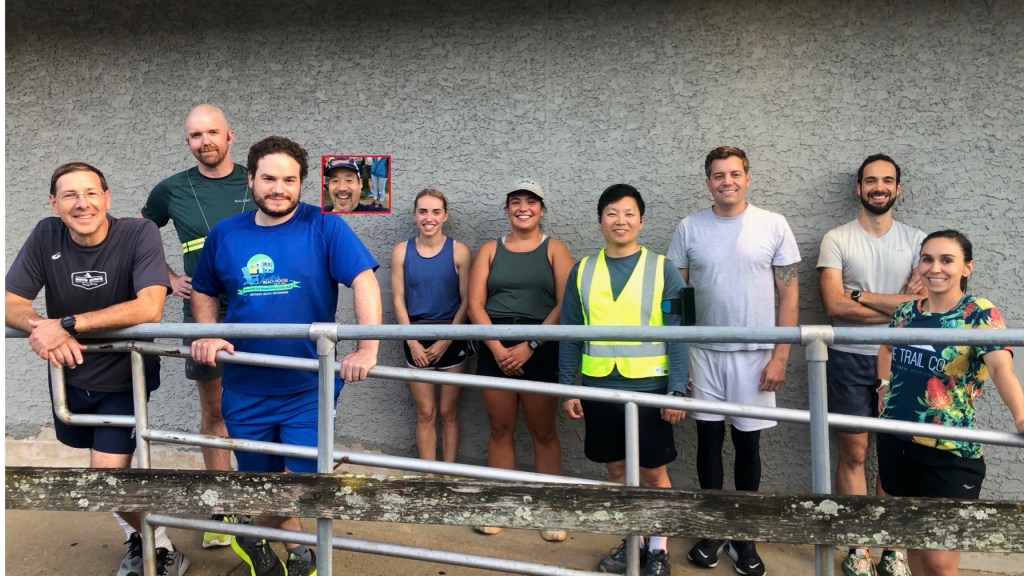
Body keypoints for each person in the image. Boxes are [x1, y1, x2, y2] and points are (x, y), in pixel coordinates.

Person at [189, 136, 382, 576]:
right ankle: (295, 548)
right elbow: (203, 289)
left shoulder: (325, 226)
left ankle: (250, 530)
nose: (279, 188)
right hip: (245, 386)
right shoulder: (226, 233)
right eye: (270, 178)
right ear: (251, 179)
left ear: (301, 183)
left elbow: (365, 280)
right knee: (262, 478)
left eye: (290, 180)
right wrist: (209, 333)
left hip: (308, 385)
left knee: (303, 481)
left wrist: (367, 347)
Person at [5, 163, 187, 576]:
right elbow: (11, 301)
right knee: (107, 476)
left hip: (124, 379)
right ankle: (141, 536)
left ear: (107, 198)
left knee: (105, 478)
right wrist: (42, 328)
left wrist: (67, 325)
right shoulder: (46, 234)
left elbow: (150, 307)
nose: (81, 203)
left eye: (90, 193)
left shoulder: (138, 233)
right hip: (69, 377)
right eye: (69, 195)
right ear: (54, 203)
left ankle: (161, 547)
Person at [667, 146, 800, 576]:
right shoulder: (689, 228)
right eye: (719, 175)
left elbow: (790, 294)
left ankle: (744, 536)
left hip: (756, 355)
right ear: (708, 181)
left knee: (747, 445)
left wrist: (780, 355)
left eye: (735, 174)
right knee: (707, 442)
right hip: (703, 354)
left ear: (747, 177)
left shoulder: (773, 224)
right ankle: (712, 529)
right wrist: (681, 357)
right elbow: (676, 298)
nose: (727, 181)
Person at [876, 230, 1024, 576]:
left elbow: (1000, 367)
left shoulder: (978, 313)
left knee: (940, 561)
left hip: (949, 450)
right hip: (897, 442)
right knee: (913, 542)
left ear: (967, 267)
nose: (935, 268)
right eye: (927, 259)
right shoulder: (905, 312)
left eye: (947, 260)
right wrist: (884, 387)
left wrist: (1020, 415)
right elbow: (885, 346)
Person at [560, 184, 687, 576]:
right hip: (599, 388)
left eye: (629, 213)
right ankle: (633, 541)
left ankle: (658, 551)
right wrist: (567, 386)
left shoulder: (664, 269)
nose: (621, 220)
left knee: (653, 473)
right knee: (615, 470)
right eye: (612, 213)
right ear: (600, 221)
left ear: (642, 220)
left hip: (650, 389)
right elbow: (570, 332)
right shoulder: (582, 270)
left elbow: (680, 332)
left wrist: (676, 389)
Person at [140, 103, 252, 548]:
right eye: (195, 135)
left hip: (258, 305)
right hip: (203, 311)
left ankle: (264, 501)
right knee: (216, 409)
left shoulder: (255, 179)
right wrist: (167, 277)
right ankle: (222, 508)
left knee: (264, 405)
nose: (205, 141)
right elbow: (137, 236)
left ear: (230, 136)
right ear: (187, 142)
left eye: (212, 132)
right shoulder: (171, 189)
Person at [817, 154, 925, 576]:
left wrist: (860, 296)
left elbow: (924, 306)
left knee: (897, 455)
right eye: (870, 180)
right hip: (847, 358)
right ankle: (858, 548)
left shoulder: (918, 241)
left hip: (903, 361)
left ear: (898, 188)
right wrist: (899, 305)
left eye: (887, 180)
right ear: (858, 188)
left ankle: (893, 550)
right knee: (854, 453)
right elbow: (833, 305)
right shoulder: (837, 239)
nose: (879, 187)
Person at [467, 177, 574, 542]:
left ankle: (550, 509)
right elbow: (475, 304)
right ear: (507, 208)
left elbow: (565, 303)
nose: (523, 208)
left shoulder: (555, 249)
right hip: (494, 343)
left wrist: (531, 343)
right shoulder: (489, 250)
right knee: (500, 427)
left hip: (540, 346)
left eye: (531, 201)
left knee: (543, 431)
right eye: (516, 201)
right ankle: (501, 504)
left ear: (541, 209)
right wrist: (497, 348)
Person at [390, 188, 474, 462]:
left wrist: (447, 340)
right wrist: (411, 341)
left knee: (448, 412)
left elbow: (467, 301)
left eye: (436, 212)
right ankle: (427, 475)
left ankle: (448, 474)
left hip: (452, 336)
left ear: (445, 216)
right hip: (415, 335)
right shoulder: (401, 251)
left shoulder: (460, 252)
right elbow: (398, 299)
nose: (429, 218)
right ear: (415, 215)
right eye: (423, 211)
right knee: (425, 412)